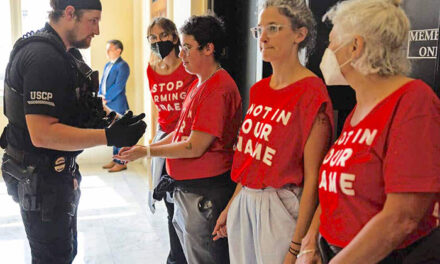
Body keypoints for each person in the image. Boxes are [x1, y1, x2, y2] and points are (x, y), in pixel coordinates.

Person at [0, 1, 146, 263]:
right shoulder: (43, 57)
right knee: (52, 258)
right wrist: (109, 137)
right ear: (69, 13)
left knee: (65, 252)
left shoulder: (67, 56)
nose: (98, 30)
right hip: (39, 180)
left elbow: (83, 105)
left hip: (57, 174)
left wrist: (116, 120)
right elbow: (42, 134)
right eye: (93, 20)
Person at [297, 0, 440, 263]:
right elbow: (335, 189)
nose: (328, 51)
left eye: (332, 42)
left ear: (355, 46)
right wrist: (310, 242)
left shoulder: (413, 101)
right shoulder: (360, 107)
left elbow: (402, 218)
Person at [211, 1, 334, 264]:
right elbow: (252, 159)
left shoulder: (311, 92)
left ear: (299, 35)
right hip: (246, 201)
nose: (263, 37)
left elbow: (314, 179)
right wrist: (231, 206)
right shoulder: (260, 89)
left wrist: (296, 247)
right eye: (260, 30)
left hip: (281, 205)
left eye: (274, 28)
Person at [115, 14, 242, 264]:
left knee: (202, 255)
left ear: (208, 49)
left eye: (186, 47)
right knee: (186, 252)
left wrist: (148, 153)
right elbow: (182, 131)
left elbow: (195, 146)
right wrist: (147, 148)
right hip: (188, 189)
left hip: (204, 190)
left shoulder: (218, 89)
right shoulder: (199, 83)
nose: (180, 53)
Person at [146, 17, 196, 264]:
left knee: (184, 203)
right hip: (165, 138)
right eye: (152, 38)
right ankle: (176, 257)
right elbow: (159, 109)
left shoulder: (188, 69)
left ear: (174, 38)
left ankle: (184, 255)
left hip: (186, 140)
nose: (158, 42)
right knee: (168, 201)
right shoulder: (151, 69)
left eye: (163, 36)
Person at [99, 39, 130, 172]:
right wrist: (100, 95)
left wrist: (106, 98)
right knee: (113, 131)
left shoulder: (123, 65)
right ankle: (115, 158)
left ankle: (122, 162)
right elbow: (103, 82)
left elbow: (118, 86)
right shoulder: (107, 65)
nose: (107, 52)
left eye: (109, 49)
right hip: (107, 102)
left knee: (120, 131)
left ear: (118, 50)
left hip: (117, 103)